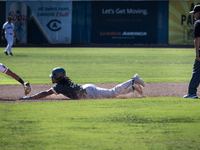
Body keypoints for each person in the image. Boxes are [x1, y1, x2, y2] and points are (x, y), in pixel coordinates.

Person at [19, 67, 145, 100]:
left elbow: (45, 93)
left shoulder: (60, 86)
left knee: (113, 92)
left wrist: (30, 97)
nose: (52, 78)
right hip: (87, 89)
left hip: (89, 92)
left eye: (53, 77)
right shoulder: (63, 82)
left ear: (59, 77)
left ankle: (133, 80)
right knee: (113, 94)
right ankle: (133, 88)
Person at [183, 4, 200, 98]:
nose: (194, 15)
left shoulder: (198, 23)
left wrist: (197, 52)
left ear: (199, 13)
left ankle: (192, 93)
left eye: (195, 13)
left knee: (197, 71)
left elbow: (197, 39)